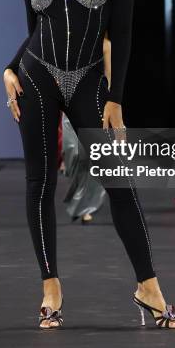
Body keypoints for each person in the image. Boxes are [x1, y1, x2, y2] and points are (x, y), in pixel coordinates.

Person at [3, 0, 175, 329]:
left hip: (90, 82)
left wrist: (116, 97)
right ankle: (51, 288)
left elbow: (121, 36)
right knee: (39, 184)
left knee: (120, 184)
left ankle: (149, 286)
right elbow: (36, 35)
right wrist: (9, 67)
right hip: (37, 78)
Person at [60, 34, 112, 224]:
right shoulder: (70, 40)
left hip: (93, 104)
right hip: (69, 103)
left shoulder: (105, 45)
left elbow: (109, 78)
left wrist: (107, 106)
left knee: (90, 157)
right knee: (73, 153)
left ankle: (85, 208)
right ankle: (77, 202)